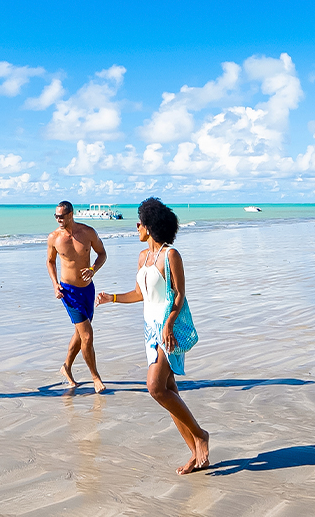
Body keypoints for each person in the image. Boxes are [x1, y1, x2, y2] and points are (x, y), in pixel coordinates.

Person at [96, 197, 209, 474]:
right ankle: (195, 453)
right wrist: (110, 298)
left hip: (168, 331)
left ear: (150, 226)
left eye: (139, 223)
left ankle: (200, 435)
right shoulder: (143, 257)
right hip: (149, 331)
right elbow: (140, 294)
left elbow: (180, 295)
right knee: (169, 392)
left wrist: (169, 322)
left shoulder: (171, 255)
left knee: (155, 387)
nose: (136, 227)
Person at [46, 199, 107, 393]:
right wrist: (55, 285)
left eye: (61, 216)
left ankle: (66, 367)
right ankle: (95, 377)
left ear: (71, 215)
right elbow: (50, 262)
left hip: (88, 290)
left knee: (80, 334)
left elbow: (102, 254)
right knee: (87, 336)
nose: (58, 220)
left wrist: (93, 269)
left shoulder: (88, 233)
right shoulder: (54, 238)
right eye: (56, 216)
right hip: (68, 292)